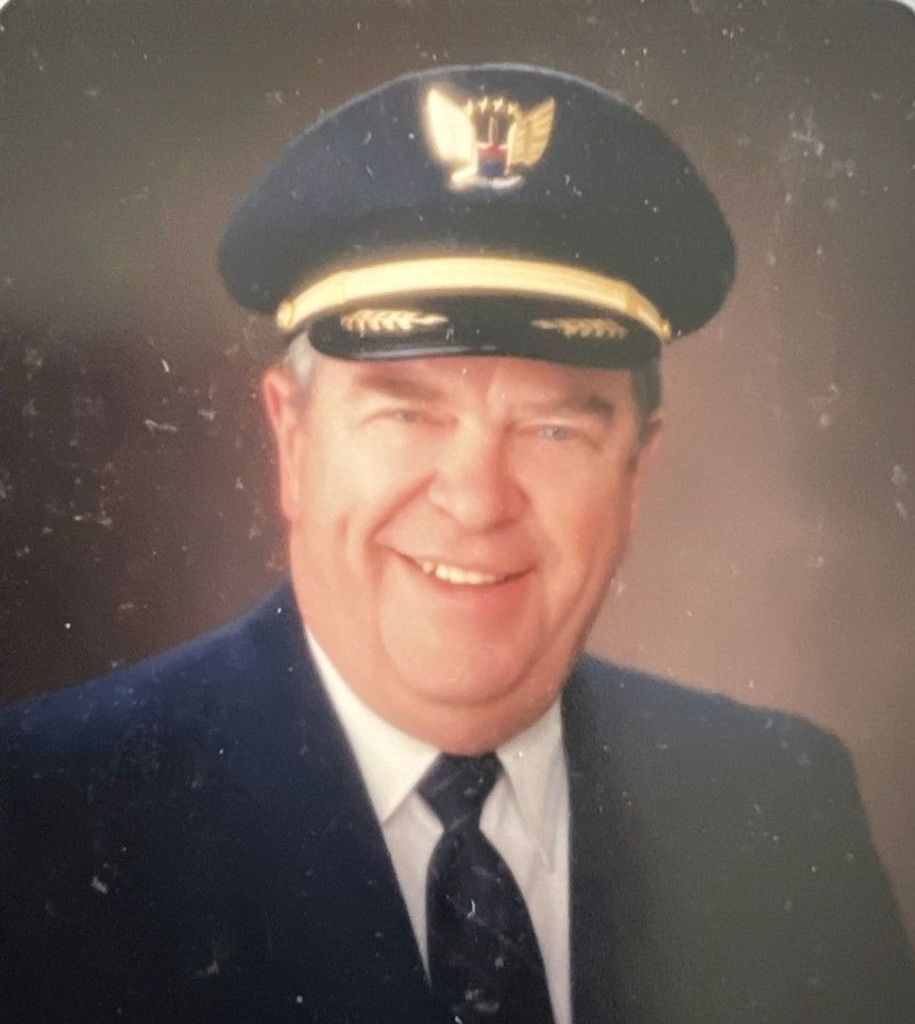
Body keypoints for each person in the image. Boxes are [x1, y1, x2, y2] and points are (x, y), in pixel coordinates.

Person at [1, 64, 912, 1024]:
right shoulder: (44, 817)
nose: (476, 503)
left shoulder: (779, 804)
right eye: (405, 413)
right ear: (292, 439)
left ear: (635, 473)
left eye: (553, 429)